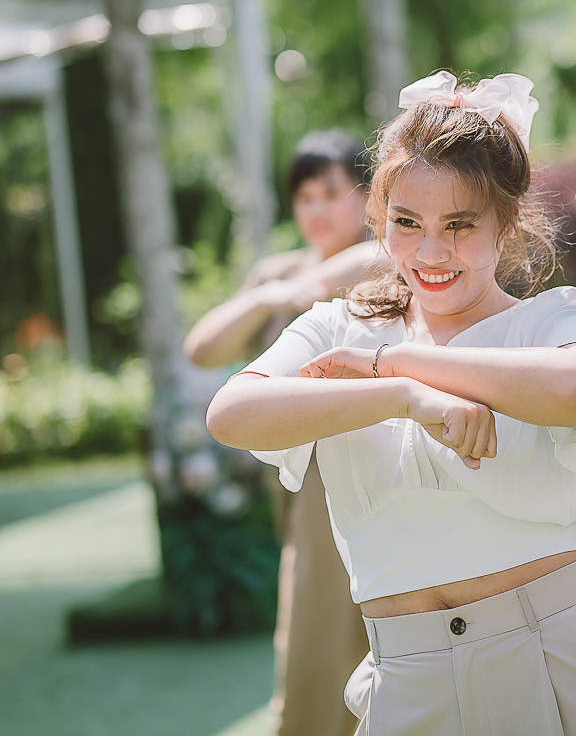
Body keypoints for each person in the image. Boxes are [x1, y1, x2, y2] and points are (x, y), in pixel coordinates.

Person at [206, 70, 576, 736]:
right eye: (406, 223)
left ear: (506, 223)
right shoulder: (336, 325)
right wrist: (401, 397)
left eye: (459, 224)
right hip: (409, 678)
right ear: (378, 219)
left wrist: (394, 362)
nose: (430, 251)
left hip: (561, 653)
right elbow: (231, 412)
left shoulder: (554, 318)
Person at [186, 130, 384, 736]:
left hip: (382, 471)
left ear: (367, 197)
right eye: (304, 197)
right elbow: (201, 348)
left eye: (331, 193)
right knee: (315, 654)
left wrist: (319, 283)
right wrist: (274, 292)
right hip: (308, 489)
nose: (317, 210)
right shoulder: (280, 273)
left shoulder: (395, 256)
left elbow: (390, 257)